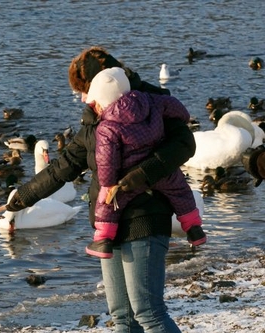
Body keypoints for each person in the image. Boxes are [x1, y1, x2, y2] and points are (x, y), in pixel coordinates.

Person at [6, 46, 213, 333]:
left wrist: (139, 177)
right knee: (122, 313)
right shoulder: (94, 115)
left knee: (148, 309)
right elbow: (66, 165)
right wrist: (17, 200)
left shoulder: (156, 103)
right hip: (108, 223)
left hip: (145, 215)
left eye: (81, 90)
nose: (81, 99)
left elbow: (185, 146)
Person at [85, 67, 206, 258]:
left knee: (109, 203)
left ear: (102, 102)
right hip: (159, 170)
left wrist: (108, 185)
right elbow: (175, 106)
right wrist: (182, 118)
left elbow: (106, 161)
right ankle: (194, 229)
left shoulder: (106, 128)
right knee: (181, 191)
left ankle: (103, 240)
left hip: (128, 177)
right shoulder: (151, 101)